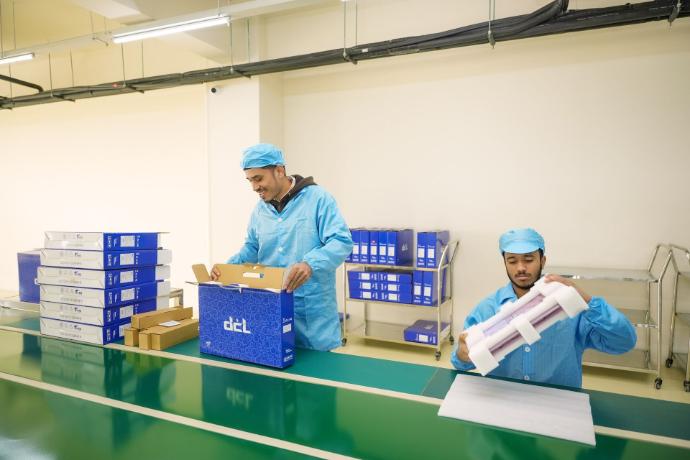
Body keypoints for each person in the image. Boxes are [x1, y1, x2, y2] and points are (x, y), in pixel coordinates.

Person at [451, 228, 636, 387]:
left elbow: (624, 341)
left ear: (543, 260)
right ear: (505, 263)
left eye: (528, 259)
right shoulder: (487, 309)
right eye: (512, 261)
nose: (520, 268)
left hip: (558, 404)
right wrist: (462, 354)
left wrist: (586, 300)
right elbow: (460, 363)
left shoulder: (570, 308)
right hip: (504, 400)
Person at [212, 143, 353, 351]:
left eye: (258, 179)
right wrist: (227, 268)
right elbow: (252, 248)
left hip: (312, 317)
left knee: (317, 369)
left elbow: (341, 241)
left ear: (279, 171)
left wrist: (310, 263)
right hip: (271, 313)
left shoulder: (318, 199)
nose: (254, 187)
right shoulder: (260, 211)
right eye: (250, 181)